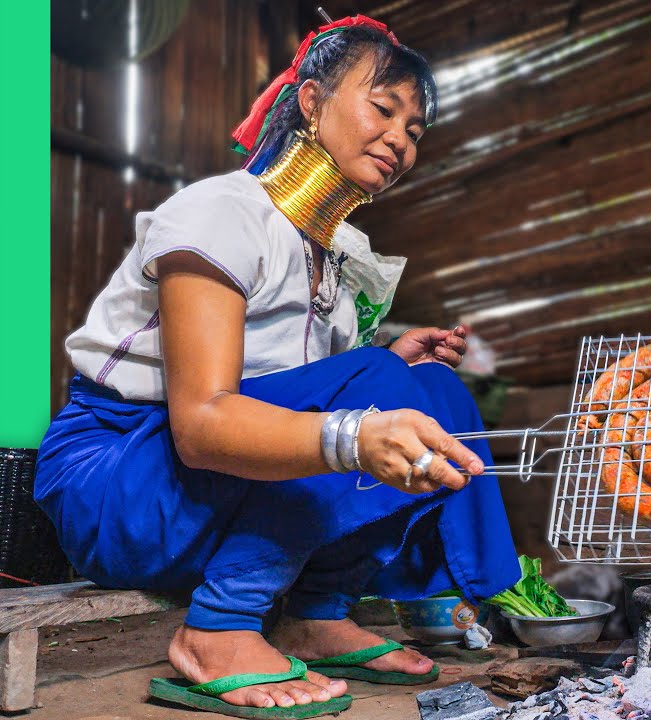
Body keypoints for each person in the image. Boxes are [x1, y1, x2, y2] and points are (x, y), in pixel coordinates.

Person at [36, 15, 520, 718]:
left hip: (206, 497)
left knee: (434, 391)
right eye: (383, 109)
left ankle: (317, 612)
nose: (400, 139)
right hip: (118, 486)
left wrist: (390, 369)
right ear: (313, 102)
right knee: (382, 390)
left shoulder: (336, 266)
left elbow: (301, 398)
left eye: (415, 130)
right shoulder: (220, 213)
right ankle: (220, 627)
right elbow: (202, 425)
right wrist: (368, 404)